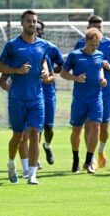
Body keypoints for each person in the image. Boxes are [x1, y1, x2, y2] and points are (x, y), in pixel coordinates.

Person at [0, 10, 49, 184]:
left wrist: (45, 72)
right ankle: (11, 163)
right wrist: (16, 70)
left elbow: (43, 64)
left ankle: (32, 174)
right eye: (28, 21)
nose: (32, 24)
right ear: (22, 23)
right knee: (18, 136)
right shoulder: (12, 45)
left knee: (35, 134)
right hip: (17, 98)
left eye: (34, 21)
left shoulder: (43, 45)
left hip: (37, 98)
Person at [74, 15, 110, 168]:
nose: (97, 28)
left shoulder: (109, 43)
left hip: (105, 90)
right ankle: (91, 157)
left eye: (99, 26)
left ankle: (101, 149)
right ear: (88, 27)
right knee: (89, 125)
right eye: (94, 26)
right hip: (86, 92)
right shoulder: (80, 44)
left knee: (104, 125)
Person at [60, 27, 107, 174]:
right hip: (80, 99)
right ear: (86, 41)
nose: (95, 47)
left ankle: (88, 161)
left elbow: (99, 68)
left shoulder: (100, 54)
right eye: (93, 44)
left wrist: (102, 79)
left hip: (96, 97)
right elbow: (63, 73)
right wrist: (76, 78)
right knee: (77, 130)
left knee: (95, 127)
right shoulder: (74, 55)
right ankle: (75, 159)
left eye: (97, 44)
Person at [37, 20, 64, 166]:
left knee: (48, 126)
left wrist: (50, 73)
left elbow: (62, 65)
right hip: (32, 91)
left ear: (42, 32)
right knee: (35, 126)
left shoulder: (51, 48)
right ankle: (36, 158)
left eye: (38, 29)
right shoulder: (24, 47)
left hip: (48, 91)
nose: (35, 30)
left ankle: (47, 145)